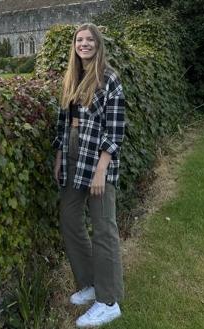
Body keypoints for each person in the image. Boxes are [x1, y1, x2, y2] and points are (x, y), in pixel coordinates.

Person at [52, 23, 126, 328]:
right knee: (70, 218)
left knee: (103, 227)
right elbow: (63, 120)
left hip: (97, 160)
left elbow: (116, 128)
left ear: (98, 44)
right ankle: (90, 283)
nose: (84, 44)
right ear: (74, 45)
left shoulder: (109, 79)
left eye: (89, 40)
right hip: (72, 156)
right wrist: (59, 155)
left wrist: (101, 169)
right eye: (79, 40)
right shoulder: (72, 77)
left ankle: (108, 302)